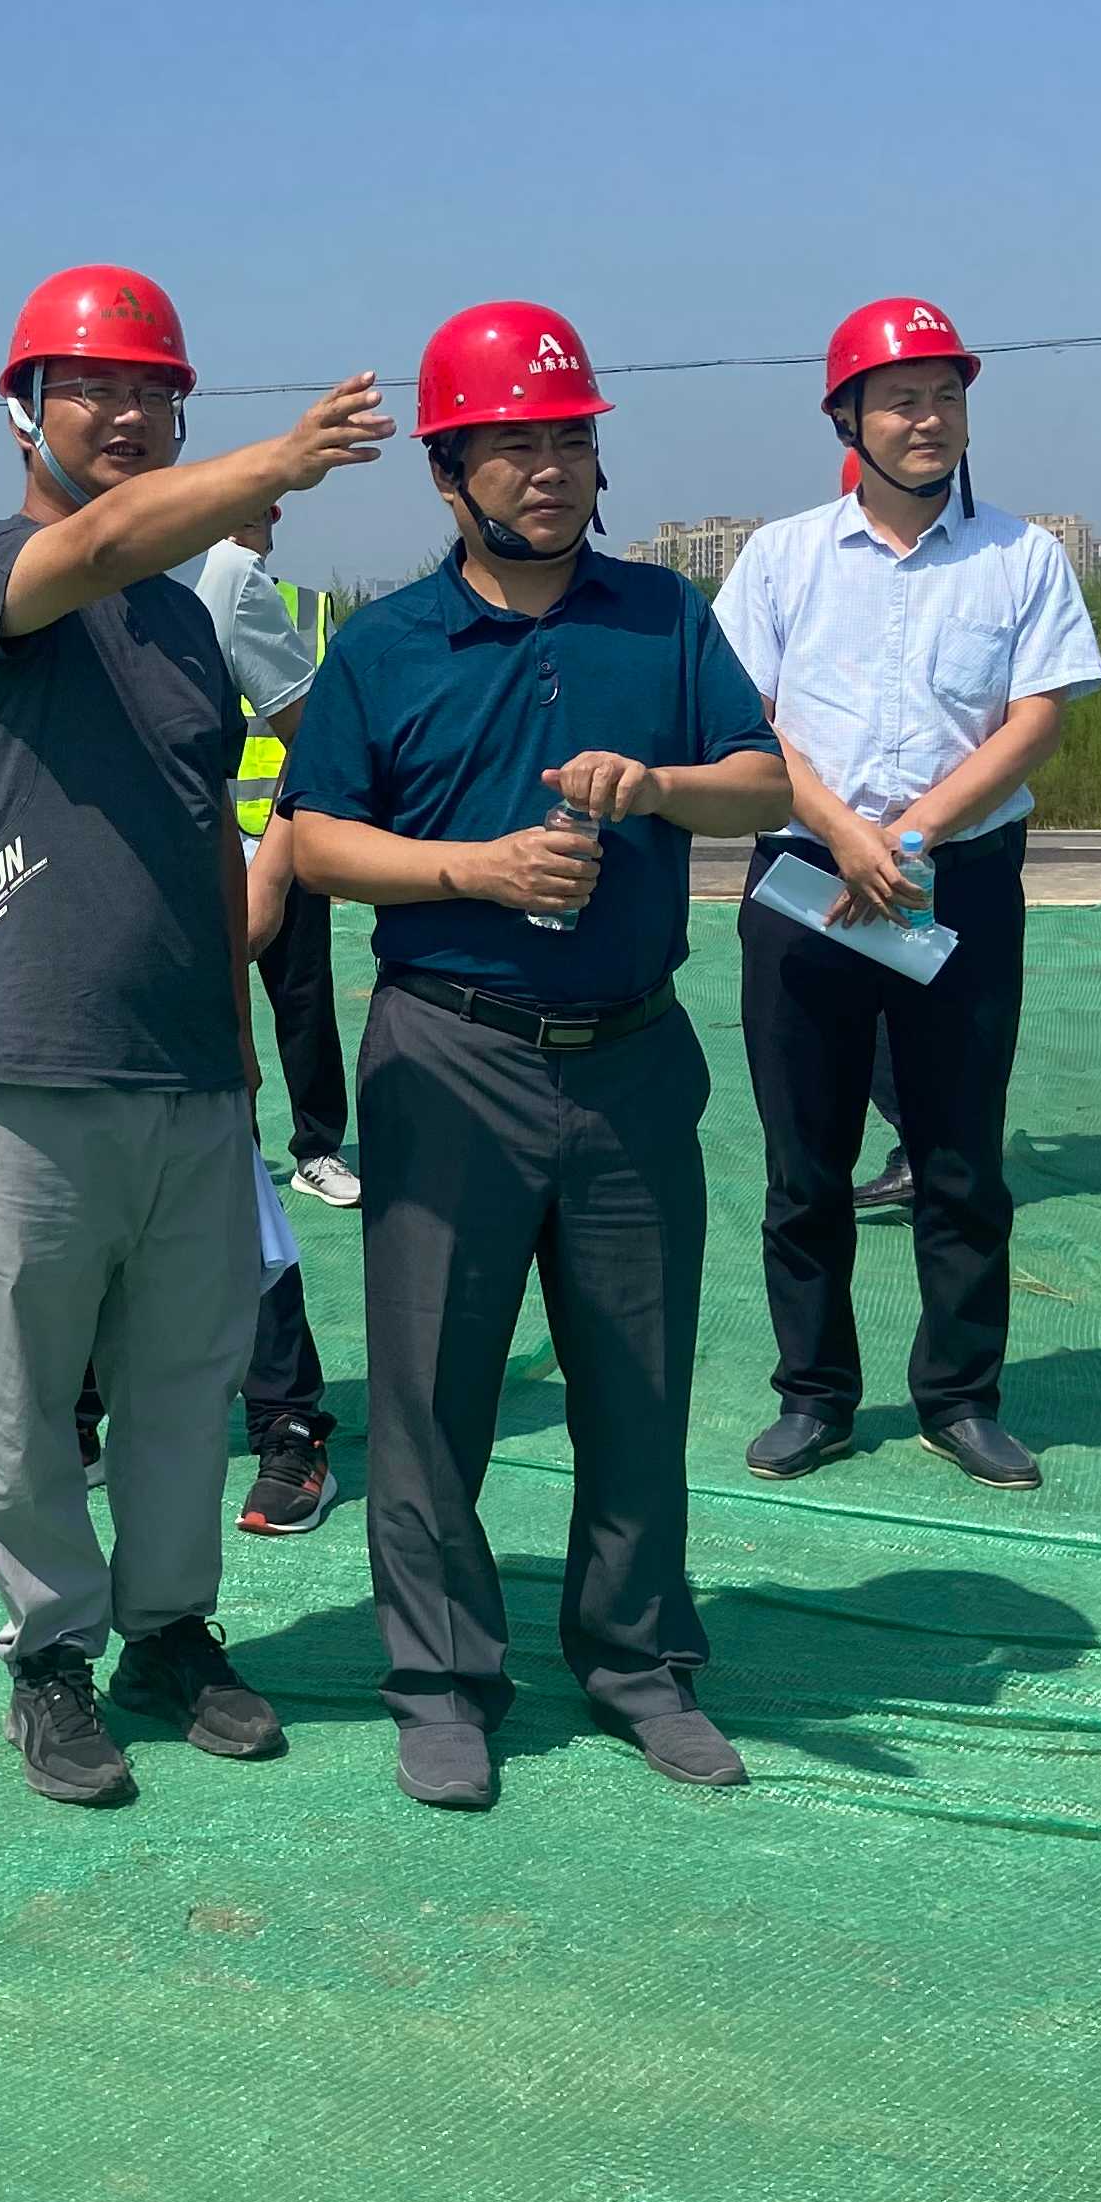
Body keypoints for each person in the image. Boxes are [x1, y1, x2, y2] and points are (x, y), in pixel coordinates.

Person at [0, 261, 392, 1805]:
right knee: (27, 1389)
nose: (127, 415)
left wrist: (238, 1040)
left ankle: (170, 1629)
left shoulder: (186, 627)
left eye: (154, 394)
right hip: (30, 1063)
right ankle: (50, 1656)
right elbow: (100, 543)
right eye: (95, 390)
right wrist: (278, 463)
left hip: (186, 1072)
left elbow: (199, 828)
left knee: (186, 1381)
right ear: (24, 411)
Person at [285, 301, 789, 1810]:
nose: (549, 468)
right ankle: (443, 1682)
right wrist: (475, 871)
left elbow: (762, 784)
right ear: (449, 471)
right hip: (453, 1055)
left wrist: (662, 785)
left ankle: (639, 1663)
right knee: (431, 1388)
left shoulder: (662, 616)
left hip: (631, 1055)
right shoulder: (386, 645)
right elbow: (317, 842)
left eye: (569, 440)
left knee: (636, 1376)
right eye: (512, 444)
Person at [713, 297, 1101, 1494]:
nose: (927, 419)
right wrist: (846, 835)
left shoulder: (1021, 558)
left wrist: (912, 837)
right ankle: (814, 1394)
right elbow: (747, 720)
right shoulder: (782, 558)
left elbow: (1034, 718)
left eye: (944, 396)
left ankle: (959, 1398)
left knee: (960, 1156)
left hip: (958, 884)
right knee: (805, 1162)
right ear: (847, 419)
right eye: (899, 400)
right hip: (805, 882)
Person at [187, 508, 346, 1536]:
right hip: (60, 951)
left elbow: (311, 741)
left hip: (203, 924)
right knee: (68, 1206)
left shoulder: (218, 579)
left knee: (227, 1179)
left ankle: (287, 1424)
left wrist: (272, 870)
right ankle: (76, 1416)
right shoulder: (16, 573)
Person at [203, 512, 359, 1209]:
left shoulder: (276, 595)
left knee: (302, 998)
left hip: (278, 836)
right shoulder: (161, 578)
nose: (266, 519)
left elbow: (315, 732)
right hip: (205, 841)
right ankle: (228, 1150)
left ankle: (316, 1148)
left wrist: (274, 860)